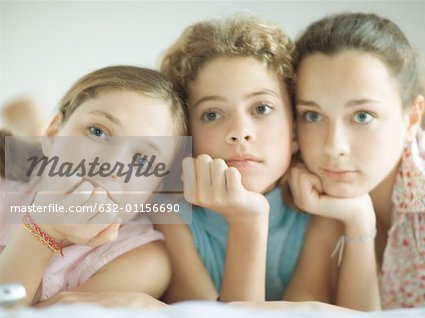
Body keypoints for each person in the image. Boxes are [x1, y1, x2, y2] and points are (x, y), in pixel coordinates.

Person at [157, 15, 380, 311]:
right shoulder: (169, 213)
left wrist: (360, 219)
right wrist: (246, 221)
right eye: (211, 114)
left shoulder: (318, 210)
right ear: (187, 134)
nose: (239, 131)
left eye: (261, 108)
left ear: (294, 131)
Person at [289, 12, 425, 309]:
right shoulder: (322, 191)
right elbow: (303, 308)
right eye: (312, 115)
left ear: (412, 118)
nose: (334, 147)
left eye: (363, 116)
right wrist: (358, 219)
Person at [0, 65, 187, 308]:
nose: (110, 165)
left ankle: (30, 124)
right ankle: (30, 126)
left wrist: (46, 229)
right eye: (97, 132)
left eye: (142, 159)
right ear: (54, 131)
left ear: (153, 190)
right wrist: (43, 226)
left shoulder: (140, 260)